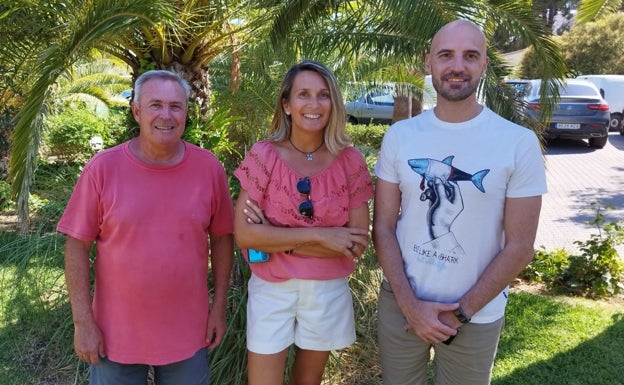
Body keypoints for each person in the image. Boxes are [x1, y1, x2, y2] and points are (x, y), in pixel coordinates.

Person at [373, 19, 547, 385]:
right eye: (446, 55)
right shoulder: (400, 136)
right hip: (401, 304)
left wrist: (461, 314)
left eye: (470, 56)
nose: (457, 66)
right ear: (429, 63)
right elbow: (384, 227)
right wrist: (409, 304)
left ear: (484, 65)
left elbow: (520, 246)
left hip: (476, 314)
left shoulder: (517, 142)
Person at [57, 70, 234, 385]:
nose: (166, 115)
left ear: (186, 112)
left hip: (188, 332)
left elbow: (222, 238)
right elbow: (76, 245)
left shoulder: (209, 169)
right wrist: (83, 322)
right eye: (155, 105)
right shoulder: (103, 169)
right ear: (136, 111)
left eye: (175, 106)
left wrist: (218, 306)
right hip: (115, 335)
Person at [233, 60, 373, 385]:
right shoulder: (264, 155)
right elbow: (244, 234)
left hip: (326, 291)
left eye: (323, 95)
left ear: (333, 103)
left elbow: (354, 244)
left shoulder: (350, 162)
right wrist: (325, 236)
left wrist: (274, 236)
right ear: (286, 103)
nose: (313, 104)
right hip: (271, 288)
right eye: (303, 94)